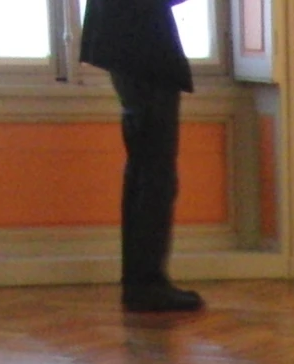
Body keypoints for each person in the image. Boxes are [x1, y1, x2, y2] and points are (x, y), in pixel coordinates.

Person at [79, 0, 204, 313]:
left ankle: (142, 282)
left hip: (128, 44)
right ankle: (146, 284)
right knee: (155, 175)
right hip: (141, 46)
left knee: (145, 171)